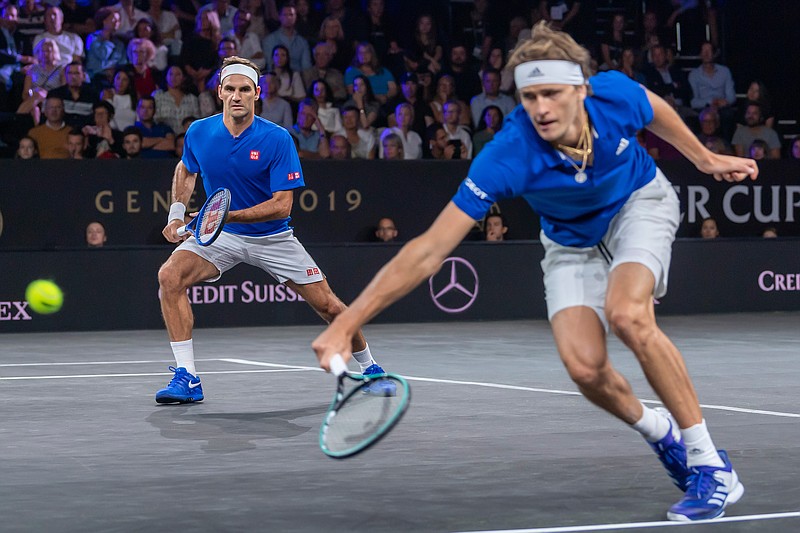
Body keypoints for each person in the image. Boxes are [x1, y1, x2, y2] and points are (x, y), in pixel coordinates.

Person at [312, 22, 757, 522]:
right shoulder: (508, 152)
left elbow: (653, 108)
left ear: (581, 90)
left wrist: (703, 157)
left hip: (638, 203)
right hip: (568, 237)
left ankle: (710, 463)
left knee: (628, 315)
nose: (540, 108)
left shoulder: (613, 95)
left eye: (551, 94)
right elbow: (429, 250)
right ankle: (661, 434)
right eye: (529, 96)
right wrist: (346, 325)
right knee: (584, 368)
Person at [155, 55, 391, 403]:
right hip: (222, 236)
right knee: (169, 277)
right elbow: (186, 169)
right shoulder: (198, 132)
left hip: (272, 237)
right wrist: (176, 214)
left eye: (245, 90)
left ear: (257, 93)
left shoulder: (277, 139)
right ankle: (187, 378)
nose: (237, 96)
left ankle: (370, 368)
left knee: (329, 307)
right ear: (220, 92)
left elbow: (282, 205)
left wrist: (225, 216)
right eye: (231, 89)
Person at [261, 2, 311, 72]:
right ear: (279, 17)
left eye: (291, 15)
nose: (288, 17)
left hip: (298, 78)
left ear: (296, 17)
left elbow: (306, 67)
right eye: (285, 15)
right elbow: (270, 65)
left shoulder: (302, 42)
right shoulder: (269, 40)